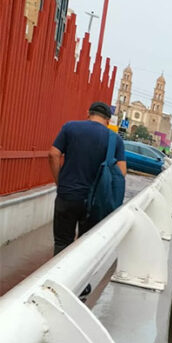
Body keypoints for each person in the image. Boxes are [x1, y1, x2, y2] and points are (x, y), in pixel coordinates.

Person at [48, 101, 126, 254]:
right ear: (108, 120)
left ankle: (60, 269)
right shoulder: (115, 139)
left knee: (62, 243)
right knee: (86, 247)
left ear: (88, 114)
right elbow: (121, 172)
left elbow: (53, 154)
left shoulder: (70, 127)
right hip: (95, 202)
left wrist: (60, 182)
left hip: (67, 195)